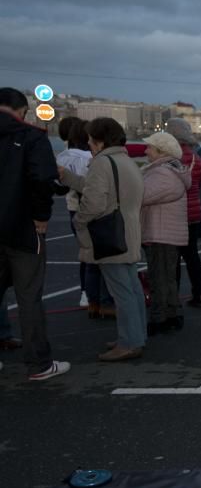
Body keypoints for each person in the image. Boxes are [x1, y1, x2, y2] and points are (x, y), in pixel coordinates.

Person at [60, 117, 146, 361]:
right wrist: (68, 177)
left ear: (98, 141)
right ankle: (135, 336)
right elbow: (99, 188)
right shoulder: (125, 161)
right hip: (127, 230)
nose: (88, 143)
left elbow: (94, 200)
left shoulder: (102, 163)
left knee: (122, 292)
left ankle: (129, 342)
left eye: (90, 139)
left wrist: (79, 220)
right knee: (132, 288)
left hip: (109, 234)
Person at [0, 87, 70, 380]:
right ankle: (38, 363)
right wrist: (41, 218)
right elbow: (43, 179)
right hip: (21, 228)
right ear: (22, 110)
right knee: (29, 296)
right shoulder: (31, 137)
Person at [139, 132, 190, 334]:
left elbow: (141, 195)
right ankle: (172, 314)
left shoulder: (162, 173)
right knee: (167, 276)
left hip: (160, 231)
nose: (145, 151)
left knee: (158, 276)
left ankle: (159, 317)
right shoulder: (174, 169)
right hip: (167, 231)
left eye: (150, 148)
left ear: (161, 151)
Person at [164, 118, 201, 310]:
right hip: (194, 212)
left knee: (173, 260)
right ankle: (199, 293)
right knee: (192, 257)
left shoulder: (172, 159)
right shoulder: (196, 158)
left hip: (176, 213)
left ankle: (173, 298)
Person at [56, 117, 92, 309]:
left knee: (85, 251)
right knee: (95, 252)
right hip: (89, 207)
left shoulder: (63, 156)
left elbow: (58, 186)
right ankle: (94, 293)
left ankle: (85, 293)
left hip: (73, 206)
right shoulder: (89, 158)